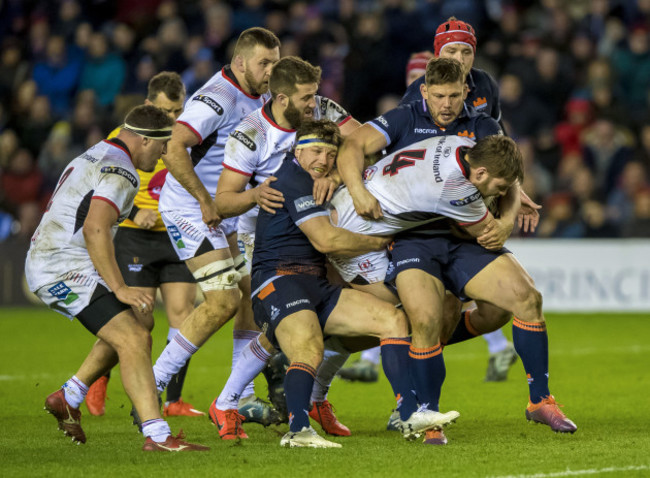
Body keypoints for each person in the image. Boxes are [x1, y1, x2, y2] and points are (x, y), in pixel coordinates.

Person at [251, 119, 459, 448]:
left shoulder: (316, 179)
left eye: (331, 155)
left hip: (315, 285)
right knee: (309, 348)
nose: (323, 160)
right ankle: (298, 430)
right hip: (279, 280)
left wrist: (336, 176)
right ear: (297, 150)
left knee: (393, 319)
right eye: (316, 151)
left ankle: (408, 415)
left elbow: (369, 169)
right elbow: (326, 240)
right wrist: (377, 243)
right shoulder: (290, 179)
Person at [25, 105, 209, 452]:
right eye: (162, 145)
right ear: (143, 140)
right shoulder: (122, 171)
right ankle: (157, 436)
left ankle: (70, 395)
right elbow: (96, 227)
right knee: (134, 340)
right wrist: (120, 287)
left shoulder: (98, 151)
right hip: (61, 266)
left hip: (60, 257)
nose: (165, 154)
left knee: (139, 320)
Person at [209, 56, 362, 440]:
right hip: (267, 233)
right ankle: (246, 398)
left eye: (315, 96)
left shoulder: (325, 108)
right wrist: (257, 194)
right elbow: (222, 202)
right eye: (307, 98)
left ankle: (296, 396)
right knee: (285, 320)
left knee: (345, 303)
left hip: (315, 221)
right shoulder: (251, 132)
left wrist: (337, 173)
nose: (315, 105)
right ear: (281, 98)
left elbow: (364, 143)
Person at [148, 27, 283, 428]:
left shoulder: (262, 95)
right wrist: (206, 201)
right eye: (265, 63)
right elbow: (173, 145)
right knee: (222, 301)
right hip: (191, 208)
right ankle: (152, 384)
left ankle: (240, 396)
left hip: (224, 209)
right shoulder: (218, 98)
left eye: (276, 62)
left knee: (248, 298)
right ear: (240, 63)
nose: (271, 71)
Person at [84, 72, 203, 418]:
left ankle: (173, 399)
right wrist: (135, 211)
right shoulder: (122, 138)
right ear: (149, 104)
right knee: (137, 318)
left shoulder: (188, 136)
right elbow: (101, 184)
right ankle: (98, 376)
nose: (173, 118)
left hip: (177, 235)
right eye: (167, 110)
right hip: (137, 236)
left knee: (184, 315)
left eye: (179, 110)